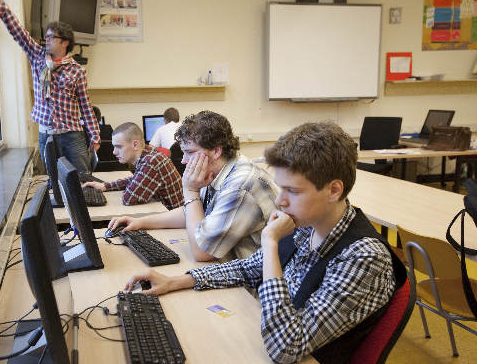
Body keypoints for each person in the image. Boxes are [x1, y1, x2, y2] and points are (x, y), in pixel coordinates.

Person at [124, 122, 407, 364]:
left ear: (334, 190)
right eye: (280, 187)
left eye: (292, 191)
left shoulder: (362, 257)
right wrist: (176, 281)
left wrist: (270, 242)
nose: (280, 201)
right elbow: (247, 269)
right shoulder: (308, 223)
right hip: (263, 334)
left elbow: (287, 346)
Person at [108, 111, 279, 261]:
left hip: (250, 288)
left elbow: (202, 252)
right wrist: (140, 222)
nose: (183, 160)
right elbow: (189, 211)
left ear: (216, 151)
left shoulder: (241, 186)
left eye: (190, 152)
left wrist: (191, 191)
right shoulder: (217, 170)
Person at [0, 0, 100, 174]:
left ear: (64, 43)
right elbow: (17, 30)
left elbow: (86, 107)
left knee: (82, 180)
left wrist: (95, 136)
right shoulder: (37, 56)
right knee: (54, 184)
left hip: (72, 136)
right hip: (46, 136)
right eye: (45, 36)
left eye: (51, 37)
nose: (46, 39)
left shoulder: (76, 70)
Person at [83, 122, 183, 210]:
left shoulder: (151, 161)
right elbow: (135, 179)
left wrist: (131, 187)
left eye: (119, 147)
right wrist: (105, 186)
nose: (114, 152)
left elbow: (129, 199)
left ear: (135, 144)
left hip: (177, 223)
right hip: (169, 214)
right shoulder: (148, 154)